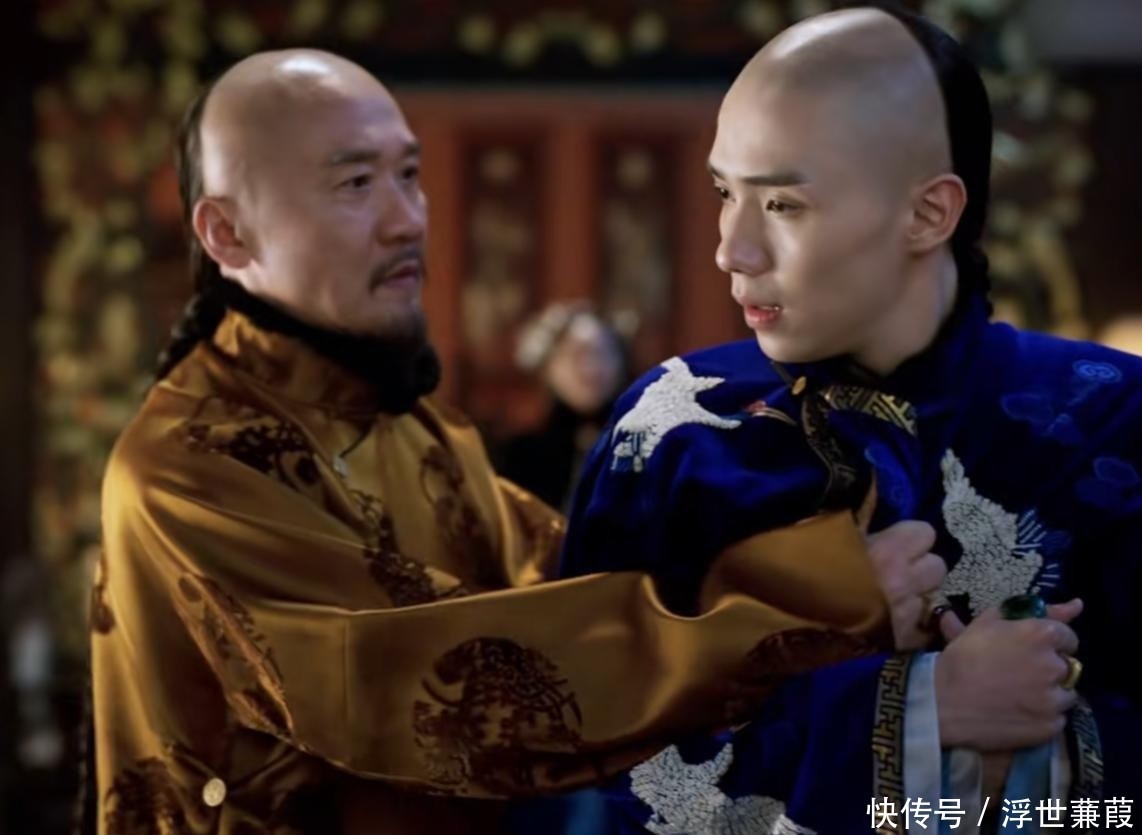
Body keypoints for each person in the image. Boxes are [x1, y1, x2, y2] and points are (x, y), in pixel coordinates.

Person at [90, 49, 905, 834]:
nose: (407, 219)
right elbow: (424, 677)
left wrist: (813, 551)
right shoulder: (185, 466)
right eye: (355, 183)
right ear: (228, 234)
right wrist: (811, 598)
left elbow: (565, 575)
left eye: (409, 174)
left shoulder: (417, 424)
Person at [561, 5, 1141, 833]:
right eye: (725, 193)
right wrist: (919, 709)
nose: (732, 250)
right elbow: (579, 759)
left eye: (783, 205)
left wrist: (1043, 749)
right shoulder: (670, 431)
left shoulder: (1111, 417)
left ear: (930, 214)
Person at [496, 300, 630, 511]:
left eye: (602, 353)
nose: (591, 368)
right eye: (577, 354)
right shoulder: (522, 455)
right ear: (548, 365)